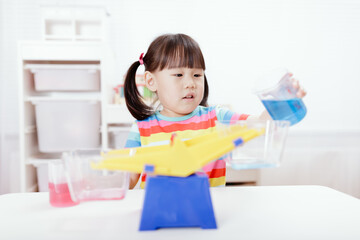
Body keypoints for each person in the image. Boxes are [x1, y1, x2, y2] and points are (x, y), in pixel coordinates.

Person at [123, 33, 306, 189]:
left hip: (209, 213)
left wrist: (284, 100)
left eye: (197, 75)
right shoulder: (141, 128)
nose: (190, 83)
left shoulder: (217, 117)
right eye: (178, 75)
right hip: (159, 215)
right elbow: (128, 179)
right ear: (151, 81)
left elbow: (261, 124)